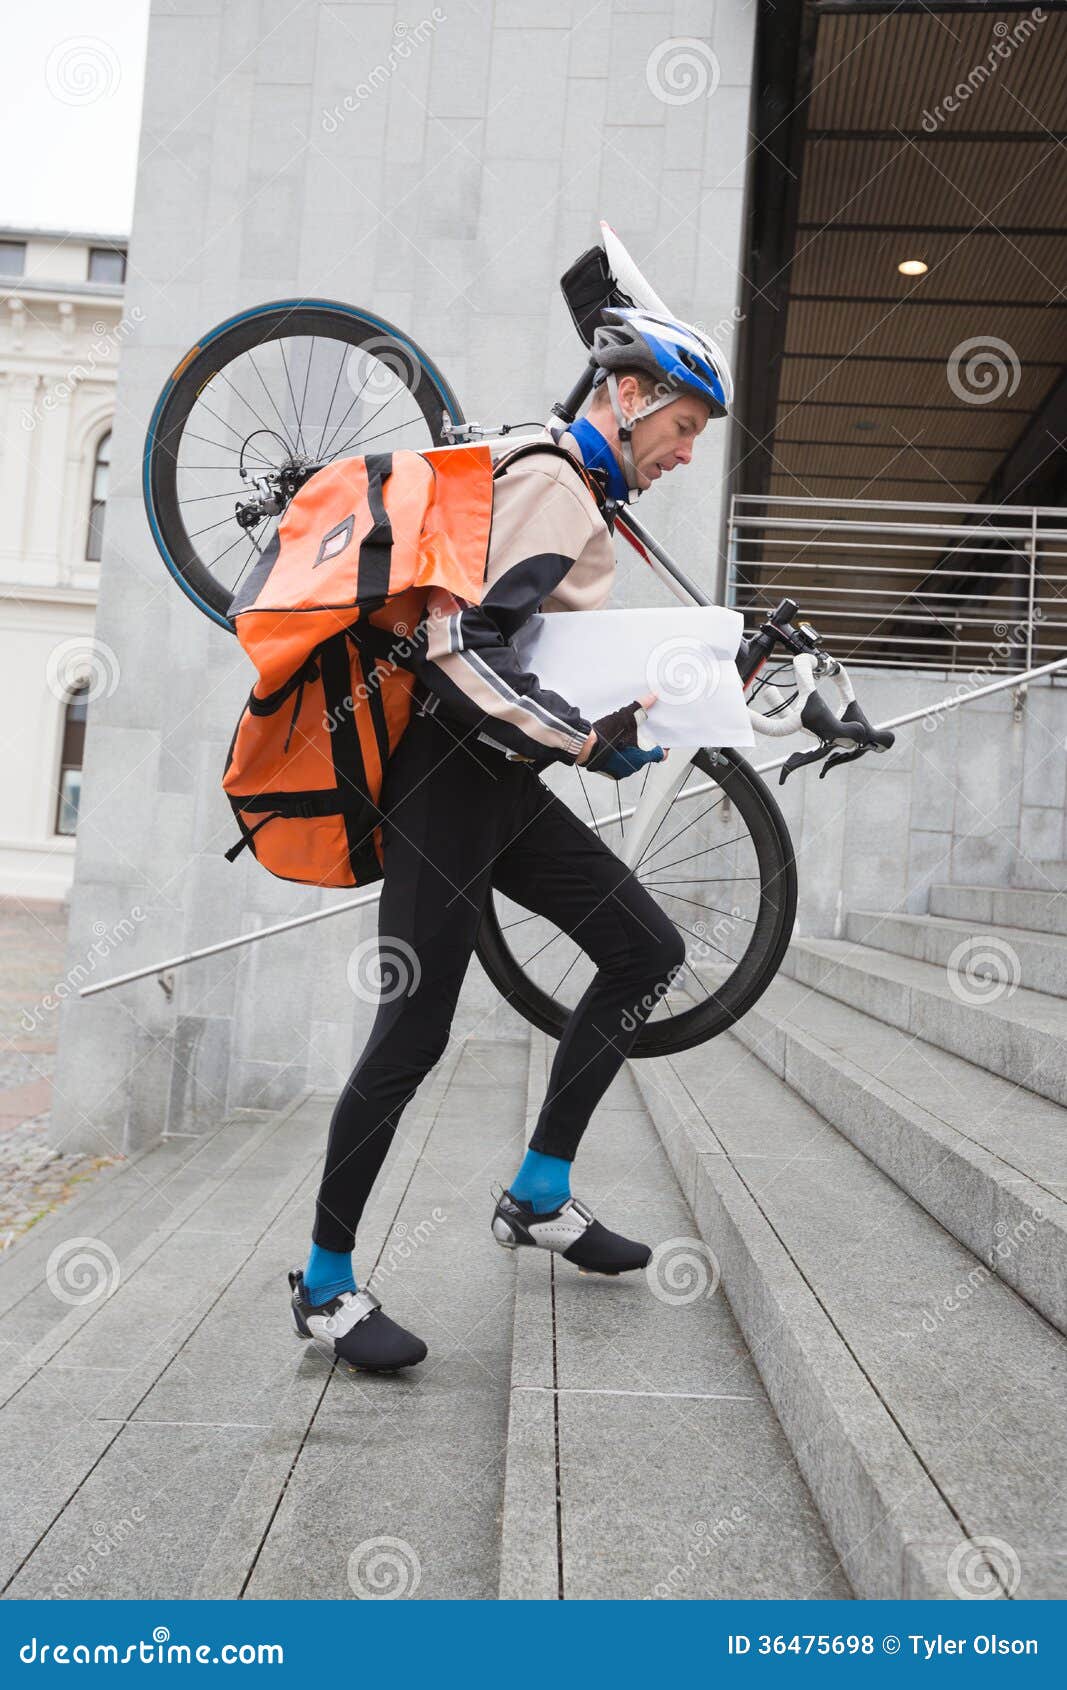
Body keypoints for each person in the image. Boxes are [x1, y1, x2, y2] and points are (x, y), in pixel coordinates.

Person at [288, 308, 734, 1371]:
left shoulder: (571, 482)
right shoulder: (549, 479)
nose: (681, 454)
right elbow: (460, 643)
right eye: (680, 427)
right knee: (412, 1035)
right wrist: (581, 742)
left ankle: (538, 1194)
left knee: (643, 949)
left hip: (497, 780)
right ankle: (323, 1284)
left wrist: (613, 714)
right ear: (626, 399)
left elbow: (520, 648)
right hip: (446, 784)